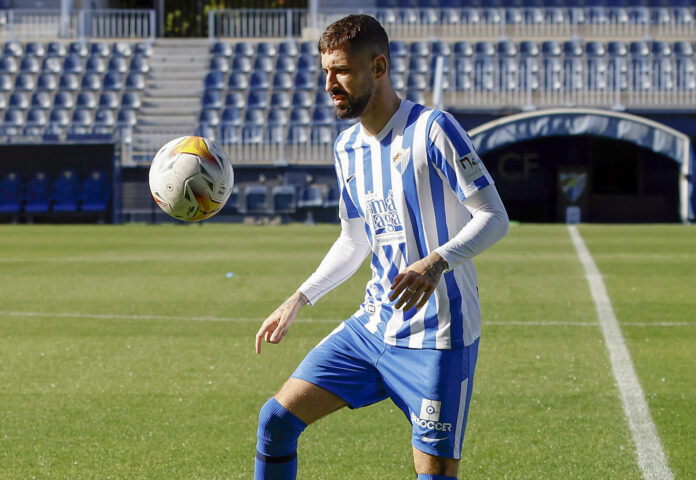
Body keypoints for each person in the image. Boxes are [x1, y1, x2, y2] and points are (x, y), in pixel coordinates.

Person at [254, 14, 509, 480]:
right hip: (371, 327)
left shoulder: (434, 130)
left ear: (378, 66)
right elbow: (355, 239)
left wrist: (436, 262)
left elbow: (494, 217)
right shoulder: (346, 147)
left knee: (433, 474)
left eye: (342, 71)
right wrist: (300, 297)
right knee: (275, 422)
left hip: (438, 338)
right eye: (325, 71)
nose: (330, 83)